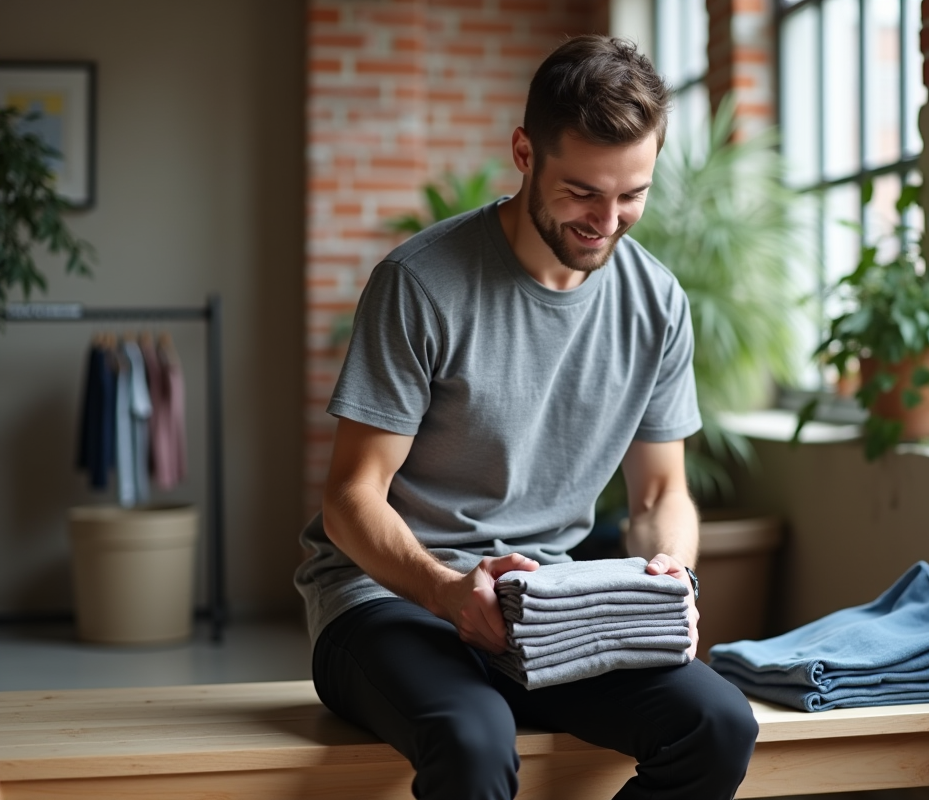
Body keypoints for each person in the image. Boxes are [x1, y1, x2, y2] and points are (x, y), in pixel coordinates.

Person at [295, 34, 758, 800]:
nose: (607, 220)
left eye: (632, 194)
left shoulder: (657, 303)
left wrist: (672, 577)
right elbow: (349, 502)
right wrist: (449, 593)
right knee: (475, 741)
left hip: (549, 608)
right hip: (387, 602)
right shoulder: (421, 283)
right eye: (582, 191)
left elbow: (659, 495)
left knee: (717, 725)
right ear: (524, 153)